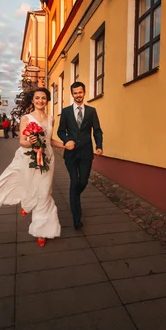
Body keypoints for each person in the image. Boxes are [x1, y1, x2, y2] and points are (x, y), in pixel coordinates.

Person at [0, 88, 74, 247]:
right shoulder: (26, 118)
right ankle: (27, 202)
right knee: (29, 186)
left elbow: (50, 141)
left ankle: (42, 230)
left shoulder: (51, 119)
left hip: (47, 159)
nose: (40, 101)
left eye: (43, 98)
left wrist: (65, 145)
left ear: (47, 100)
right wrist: (32, 142)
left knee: (44, 192)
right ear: (32, 100)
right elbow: (22, 141)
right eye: (37, 98)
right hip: (30, 157)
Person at [57, 81, 103, 230]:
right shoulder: (66, 112)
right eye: (75, 93)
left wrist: (99, 146)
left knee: (83, 181)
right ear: (72, 94)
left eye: (80, 92)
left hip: (86, 153)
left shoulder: (91, 111)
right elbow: (60, 131)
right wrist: (66, 140)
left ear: (84, 93)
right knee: (74, 182)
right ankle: (77, 218)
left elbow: (97, 130)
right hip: (70, 154)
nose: (78, 95)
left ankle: (74, 197)